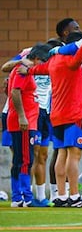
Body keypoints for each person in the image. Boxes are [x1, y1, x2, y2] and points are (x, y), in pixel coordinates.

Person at [23, 27, 82, 207]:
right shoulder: (70, 60)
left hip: (56, 115)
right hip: (74, 114)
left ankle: (61, 195)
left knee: (61, 154)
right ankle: (74, 196)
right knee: (74, 155)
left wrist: (26, 71)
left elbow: (37, 69)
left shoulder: (53, 61)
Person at [7, 44, 49, 207]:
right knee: (25, 160)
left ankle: (18, 197)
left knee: (20, 159)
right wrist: (23, 117)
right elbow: (15, 92)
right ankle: (26, 197)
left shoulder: (23, 68)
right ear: (37, 58)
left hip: (26, 121)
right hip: (24, 123)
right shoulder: (23, 69)